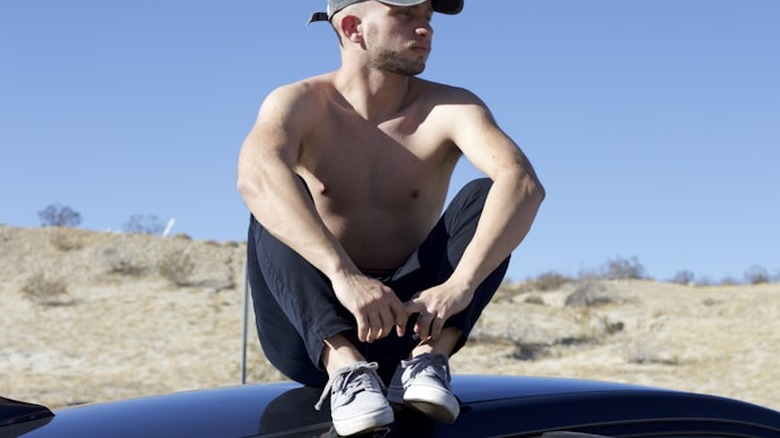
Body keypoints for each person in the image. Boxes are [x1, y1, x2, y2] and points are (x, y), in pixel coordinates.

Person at [237, 0, 544, 435]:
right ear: (352, 27)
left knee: (489, 195)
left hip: (415, 319)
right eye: (406, 16)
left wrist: (459, 286)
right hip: (312, 327)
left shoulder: (451, 107)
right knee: (277, 196)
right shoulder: (300, 102)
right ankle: (347, 370)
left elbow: (524, 184)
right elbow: (254, 177)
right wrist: (344, 275)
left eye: (428, 19)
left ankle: (428, 362)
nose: (425, 30)